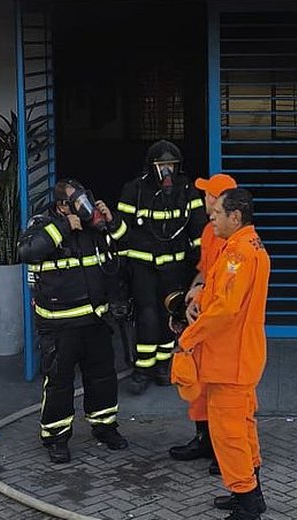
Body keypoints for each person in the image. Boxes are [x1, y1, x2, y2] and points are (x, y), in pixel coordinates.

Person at [18, 178, 129, 463]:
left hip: (95, 319)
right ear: (61, 206)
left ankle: (104, 427)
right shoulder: (42, 223)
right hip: (59, 324)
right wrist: (65, 227)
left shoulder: (94, 226)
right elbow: (27, 251)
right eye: (77, 203)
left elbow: (125, 246)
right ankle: (56, 437)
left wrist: (111, 222)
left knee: (103, 377)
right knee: (58, 382)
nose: (84, 208)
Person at [178, 188, 271, 520]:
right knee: (243, 428)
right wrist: (200, 298)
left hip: (229, 361)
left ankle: (247, 504)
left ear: (236, 216)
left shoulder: (239, 254)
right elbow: (224, 297)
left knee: (229, 434)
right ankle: (250, 493)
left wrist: (189, 337)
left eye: (216, 212)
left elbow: (226, 309)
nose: (211, 217)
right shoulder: (246, 247)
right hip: (238, 358)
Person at [115, 139, 207, 395]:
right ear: (151, 166)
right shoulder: (135, 190)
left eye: (171, 165)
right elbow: (121, 230)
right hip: (143, 266)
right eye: (161, 165)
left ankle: (163, 366)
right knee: (146, 315)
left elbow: (198, 227)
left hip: (174, 267)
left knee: (171, 315)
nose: (167, 171)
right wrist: (122, 271)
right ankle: (142, 370)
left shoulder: (186, 190)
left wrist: (204, 264)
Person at [168, 173, 237, 475]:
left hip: (219, 328)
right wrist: (192, 296)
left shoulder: (237, 245)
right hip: (202, 319)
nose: (204, 199)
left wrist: (201, 303)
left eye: (209, 194)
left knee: (225, 398)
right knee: (199, 385)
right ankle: (203, 440)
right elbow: (204, 271)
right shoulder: (210, 232)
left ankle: (227, 453)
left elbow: (227, 294)